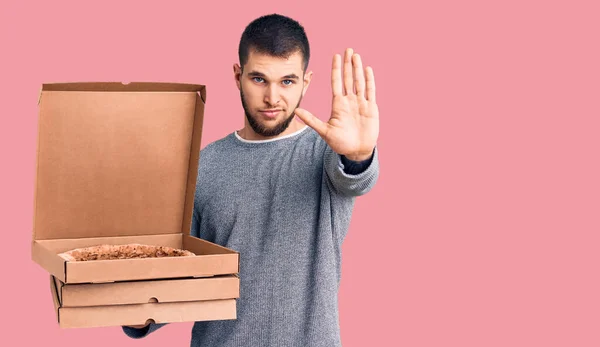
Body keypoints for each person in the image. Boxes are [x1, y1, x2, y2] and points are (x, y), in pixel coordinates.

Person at [123, 13, 380, 347]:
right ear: (237, 75)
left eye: (287, 81)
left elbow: (354, 180)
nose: (273, 98)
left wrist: (359, 155)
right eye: (259, 79)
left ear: (306, 81)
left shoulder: (326, 155)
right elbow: (184, 274)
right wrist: (128, 307)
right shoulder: (204, 165)